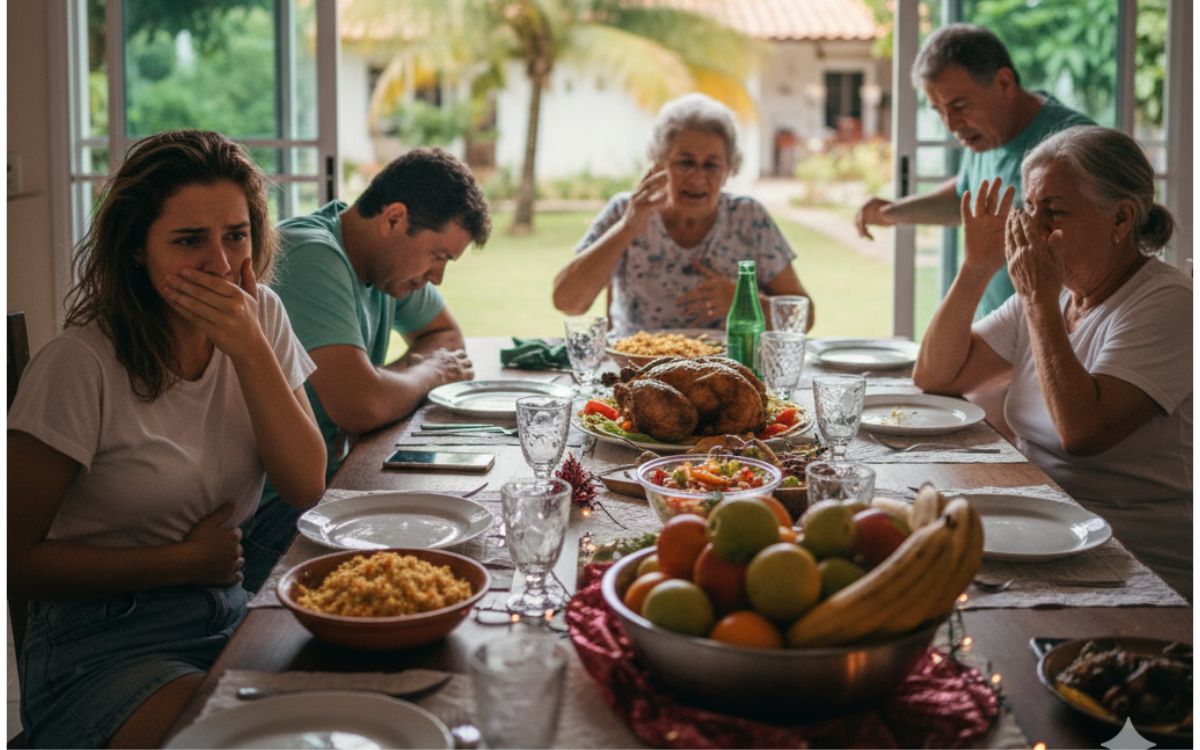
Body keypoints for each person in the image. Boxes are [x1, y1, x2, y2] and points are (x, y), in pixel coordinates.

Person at [8, 129, 327, 747]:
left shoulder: (260, 317)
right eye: (188, 241)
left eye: (236, 235)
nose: (220, 262)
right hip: (99, 644)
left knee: (350, 707)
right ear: (136, 249)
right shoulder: (79, 364)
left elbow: (305, 483)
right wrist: (179, 563)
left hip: (227, 611)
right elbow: (12, 560)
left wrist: (251, 352)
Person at [912, 125, 1192, 598]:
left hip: (1136, 559)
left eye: (1054, 212)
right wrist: (977, 266)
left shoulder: (1169, 303)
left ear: (1121, 219)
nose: (1035, 229)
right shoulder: (1051, 288)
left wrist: (1039, 301)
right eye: (1029, 209)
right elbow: (937, 376)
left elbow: (1083, 432)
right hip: (1040, 522)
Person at [241, 147, 492, 592]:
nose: (436, 278)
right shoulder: (310, 255)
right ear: (394, 219)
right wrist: (422, 375)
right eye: (438, 255)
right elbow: (361, 406)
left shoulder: (385, 268)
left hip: (332, 479)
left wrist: (384, 381)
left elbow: (446, 338)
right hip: (261, 515)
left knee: (470, 526)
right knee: (441, 567)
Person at [855, 23, 1093, 317]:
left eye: (959, 106)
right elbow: (963, 200)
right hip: (996, 335)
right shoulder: (986, 136)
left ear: (1004, 83)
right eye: (939, 111)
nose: (951, 125)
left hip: (1056, 338)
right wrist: (894, 212)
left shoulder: (1073, 144)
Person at [553, 93, 813, 335]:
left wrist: (743, 302)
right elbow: (567, 302)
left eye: (711, 165)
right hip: (636, 371)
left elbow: (804, 317)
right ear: (659, 162)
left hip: (726, 373)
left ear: (729, 170)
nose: (698, 177)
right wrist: (628, 228)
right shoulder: (625, 211)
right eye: (685, 162)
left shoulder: (748, 217)